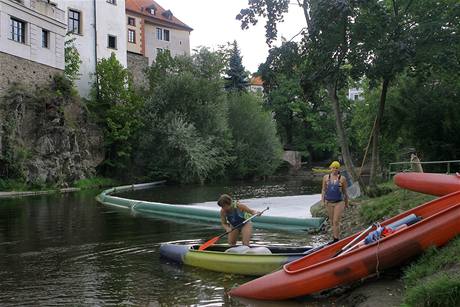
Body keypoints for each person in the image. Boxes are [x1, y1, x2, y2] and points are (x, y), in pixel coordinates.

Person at [321, 161, 349, 243]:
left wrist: (347, 203)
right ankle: (334, 238)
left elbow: (345, 192)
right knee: (332, 221)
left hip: (339, 202)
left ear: (338, 169)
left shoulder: (342, 178)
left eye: (336, 168)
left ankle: (336, 239)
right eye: (333, 167)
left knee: (336, 221)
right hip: (329, 202)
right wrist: (322, 201)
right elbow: (323, 189)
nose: (335, 169)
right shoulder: (326, 177)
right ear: (331, 168)